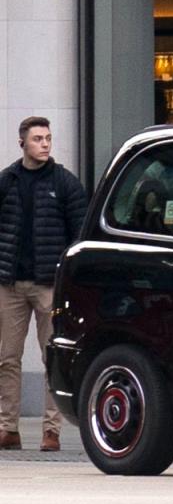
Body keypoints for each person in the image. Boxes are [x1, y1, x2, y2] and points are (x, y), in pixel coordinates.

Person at [0, 117, 87, 451]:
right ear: (22, 143)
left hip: (50, 284)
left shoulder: (64, 183)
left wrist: (68, 275)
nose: (45, 144)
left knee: (52, 355)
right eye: (38, 139)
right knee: (8, 357)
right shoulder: (7, 181)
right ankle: (9, 428)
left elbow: (78, 232)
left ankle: (52, 430)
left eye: (49, 138)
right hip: (11, 283)